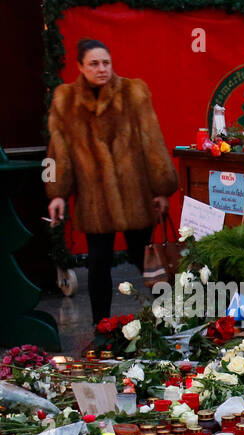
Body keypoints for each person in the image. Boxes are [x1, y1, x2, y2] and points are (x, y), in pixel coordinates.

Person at [46, 37, 178, 324]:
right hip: (95, 202)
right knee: (97, 264)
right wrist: (55, 193)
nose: (101, 68)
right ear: (81, 67)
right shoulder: (64, 100)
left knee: (148, 262)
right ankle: (101, 326)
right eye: (94, 63)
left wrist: (162, 188)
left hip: (136, 196)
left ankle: (170, 320)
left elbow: (153, 142)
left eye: (106, 62)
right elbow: (55, 153)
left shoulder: (134, 92)